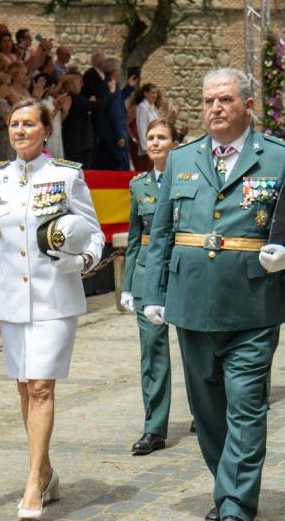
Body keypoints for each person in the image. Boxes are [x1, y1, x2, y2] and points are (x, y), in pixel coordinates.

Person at [141, 69, 285, 521]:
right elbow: (160, 233)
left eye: (225, 99)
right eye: (208, 101)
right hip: (190, 301)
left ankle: (235, 504)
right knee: (207, 410)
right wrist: (153, 293)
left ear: (248, 105)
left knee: (246, 404)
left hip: (251, 303)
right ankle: (227, 487)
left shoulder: (279, 157)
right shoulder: (182, 159)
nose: (216, 108)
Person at [0, 98, 104, 520]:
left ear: (46, 131)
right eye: (14, 124)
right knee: (24, 388)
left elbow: (94, 234)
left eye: (29, 124)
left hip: (55, 296)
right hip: (12, 301)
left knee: (40, 387)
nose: (20, 131)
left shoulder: (66, 175)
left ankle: (33, 483)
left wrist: (84, 260)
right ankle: (47, 470)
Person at [120, 119, 181, 455]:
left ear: (175, 143)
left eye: (162, 137)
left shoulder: (189, 179)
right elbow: (134, 237)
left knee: (196, 349)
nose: (155, 143)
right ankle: (154, 427)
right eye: (151, 137)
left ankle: (204, 413)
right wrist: (127, 284)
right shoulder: (138, 185)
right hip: (147, 275)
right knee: (153, 352)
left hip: (182, 272)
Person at [60, 71, 96, 168]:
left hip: (77, 143)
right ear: (71, 84)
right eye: (79, 82)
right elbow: (96, 105)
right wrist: (111, 93)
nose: (82, 85)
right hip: (79, 144)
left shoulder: (72, 98)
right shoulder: (74, 98)